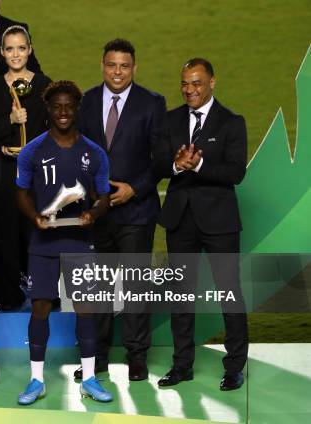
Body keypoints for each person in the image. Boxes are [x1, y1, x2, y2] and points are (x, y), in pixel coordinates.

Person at [153, 58, 248, 391]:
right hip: (180, 222)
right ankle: (182, 366)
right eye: (184, 83)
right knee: (181, 297)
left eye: (195, 83)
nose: (189, 89)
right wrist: (177, 167)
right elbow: (157, 165)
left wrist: (200, 164)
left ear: (212, 83)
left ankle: (234, 367)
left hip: (220, 223)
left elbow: (235, 173)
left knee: (229, 294)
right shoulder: (169, 120)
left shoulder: (232, 123)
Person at [15, 80, 112, 404]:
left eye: (69, 106)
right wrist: (35, 218)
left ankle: (90, 378)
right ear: (48, 110)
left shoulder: (94, 153)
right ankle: (36, 380)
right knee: (40, 307)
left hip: (80, 242)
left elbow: (103, 198)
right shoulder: (32, 151)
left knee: (85, 310)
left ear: (77, 109)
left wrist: (94, 214)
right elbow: (22, 195)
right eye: (57, 107)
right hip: (42, 243)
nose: (63, 112)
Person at [76, 38, 166, 381]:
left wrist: (135, 189)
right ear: (102, 65)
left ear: (134, 68)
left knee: (135, 287)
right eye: (111, 65)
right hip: (96, 215)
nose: (117, 72)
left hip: (137, 213)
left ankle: (136, 356)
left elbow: (161, 157)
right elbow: (75, 152)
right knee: (96, 288)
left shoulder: (152, 103)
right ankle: (96, 357)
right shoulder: (85, 102)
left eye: (124, 66)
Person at [0, 25, 51, 310]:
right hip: (5, 174)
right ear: (1, 52)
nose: (16, 54)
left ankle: (43, 296)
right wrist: (9, 120)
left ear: (30, 50)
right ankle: (8, 299)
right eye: (10, 49)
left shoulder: (45, 85)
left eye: (21, 48)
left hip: (38, 174)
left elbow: (57, 128)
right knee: (4, 236)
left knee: (37, 234)